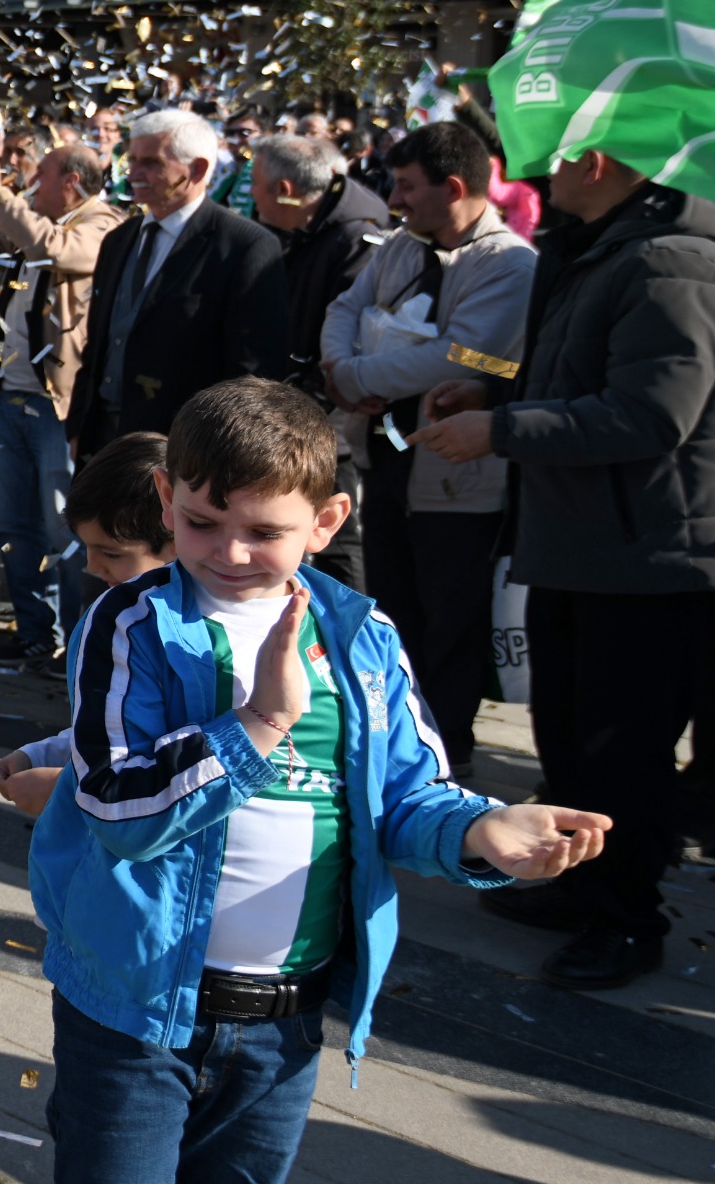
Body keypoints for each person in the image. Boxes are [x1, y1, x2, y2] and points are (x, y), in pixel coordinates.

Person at [29, 377, 610, 1184]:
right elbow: (116, 806)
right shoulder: (133, 621)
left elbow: (408, 795)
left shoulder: (361, 636)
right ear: (168, 497)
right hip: (134, 1009)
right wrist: (256, 725)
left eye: (264, 531)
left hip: (285, 1018)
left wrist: (480, 831)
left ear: (327, 520)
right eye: (203, 523)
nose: (231, 552)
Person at [413, 148, 715, 988]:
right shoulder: (597, 250)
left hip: (645, 556)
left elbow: (653, 414)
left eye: (558, 158)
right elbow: (573, 380)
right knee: (571, 739)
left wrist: (501, 431)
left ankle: (627, 918)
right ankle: (584, 884)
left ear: (599, 161)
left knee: (624, 751)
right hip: (581, 544)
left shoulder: (669, 258)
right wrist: (493, 397)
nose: (541, 173)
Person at [320, 121, 535, 774]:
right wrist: (344, 369)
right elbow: (343, 309)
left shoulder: (509, 264)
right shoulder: (400, 247)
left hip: (454, 477)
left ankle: (447, 752)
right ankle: (396, 742)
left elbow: (462, 358)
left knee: (450, 619)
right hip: (386, 457)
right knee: (395, 610)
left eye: (408, 187)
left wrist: (358, 374)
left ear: (456, 188)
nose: (395, 200)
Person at [0, 136, 121, 665]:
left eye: (43, 175)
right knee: (11, 522)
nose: (32, 185)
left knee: (65, 528)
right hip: (12, 399)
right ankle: (35, 634)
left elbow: (54, 249)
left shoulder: (102, 225)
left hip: (59, 407)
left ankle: (79, 647)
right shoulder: (37, 224)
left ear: (72, 182)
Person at [66, 109, 288, 452]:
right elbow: (98, 342)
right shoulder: (120, 240)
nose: (134, 172)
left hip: (179, 448)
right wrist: (79, 426)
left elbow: (251, 373)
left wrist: (209, 455)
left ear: (196, 169)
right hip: (101, 440)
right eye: (132, 159)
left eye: (151, 163)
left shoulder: (243, 245)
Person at [0, 430, 174, 814]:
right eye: (86, 546)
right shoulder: (115, 615)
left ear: (178, 536)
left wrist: (67, 787)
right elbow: (107, 728)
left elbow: (180, 763)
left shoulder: (186, 641)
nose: (91, 565)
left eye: (111, 552)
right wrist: (41, 754)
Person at [252, 131, 391, 590]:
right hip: (299, 402)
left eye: (255, 185)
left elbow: (352, 330)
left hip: (330, 414)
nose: (250, 196)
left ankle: (350, 630)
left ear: (284, 190)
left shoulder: (356, 238)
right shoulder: (306, 231)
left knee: (332, 535)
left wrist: (310, 395)